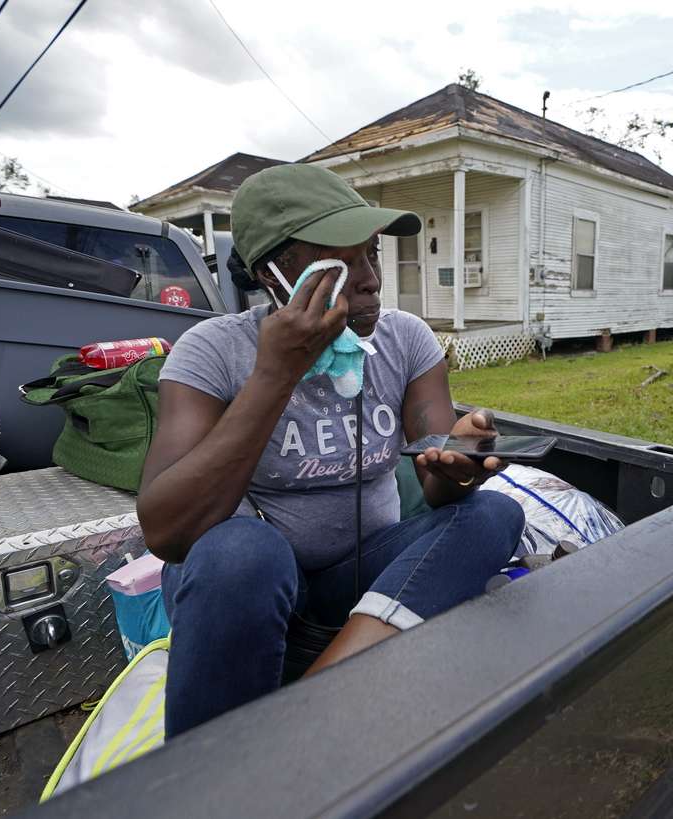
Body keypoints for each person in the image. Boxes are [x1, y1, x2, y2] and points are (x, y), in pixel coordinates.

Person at [137, 164, 525, 737]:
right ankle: (208, 772)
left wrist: (460, 465)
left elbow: (442, 485)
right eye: (340, 265)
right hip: (256, 588)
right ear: (274, 274)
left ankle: (314, 706)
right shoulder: (212, 351)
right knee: (241, 553)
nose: (369, 279)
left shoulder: (405, 338)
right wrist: (276, 374)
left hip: (362, 579)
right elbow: (167, 531)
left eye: (371, 255)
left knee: (496, 514)